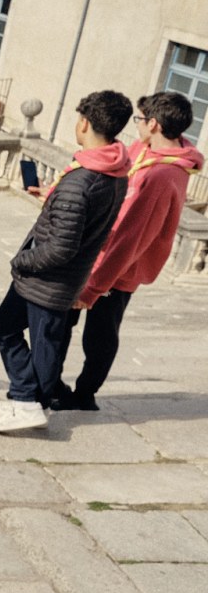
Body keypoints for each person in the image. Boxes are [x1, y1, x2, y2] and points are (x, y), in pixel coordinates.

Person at [0, 90, 132, 434]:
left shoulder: (81, 181)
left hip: (47, 278)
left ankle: (29, 404)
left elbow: (60, 248)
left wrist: (21, 261)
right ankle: (26, 400)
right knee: (21, 332)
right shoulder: (115, 171)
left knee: (30, 338)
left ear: (84, 123)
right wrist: (54, 200)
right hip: (65, 276)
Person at [55, 91, 202, 411]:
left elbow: (132, 238)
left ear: (154, 124)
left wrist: (95, 287)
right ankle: (52, 383)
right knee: (62, 321)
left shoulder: (165, 175)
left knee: (99, 335)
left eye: (139, 120)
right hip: (97, 257)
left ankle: (83, 396)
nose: (135, 126)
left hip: (117, 271)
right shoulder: (142, 150)